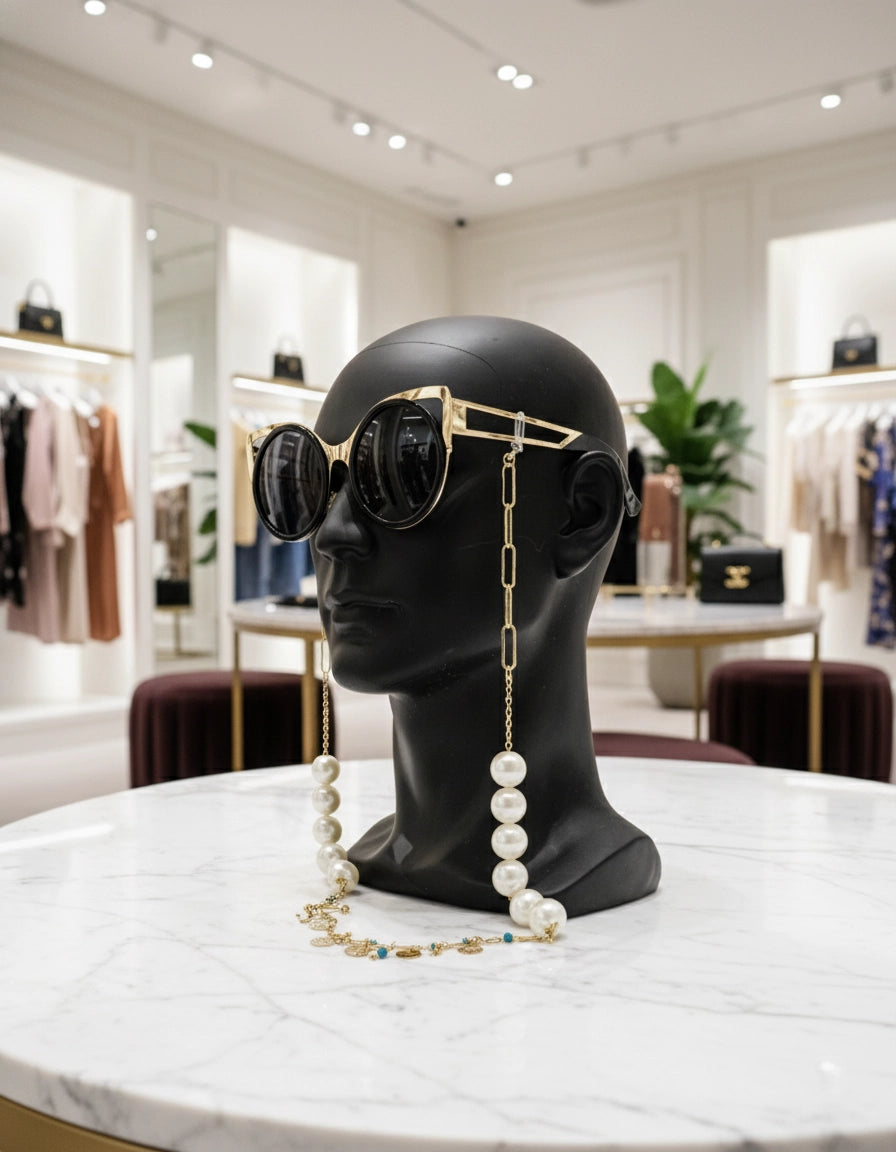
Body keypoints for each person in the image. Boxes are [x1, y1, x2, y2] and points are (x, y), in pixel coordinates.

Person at [255, 315, 661, 918]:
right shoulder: (365, 859)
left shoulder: (595, 865)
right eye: (314, 480)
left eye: (401, 472)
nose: (333, 533)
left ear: (582, 514)